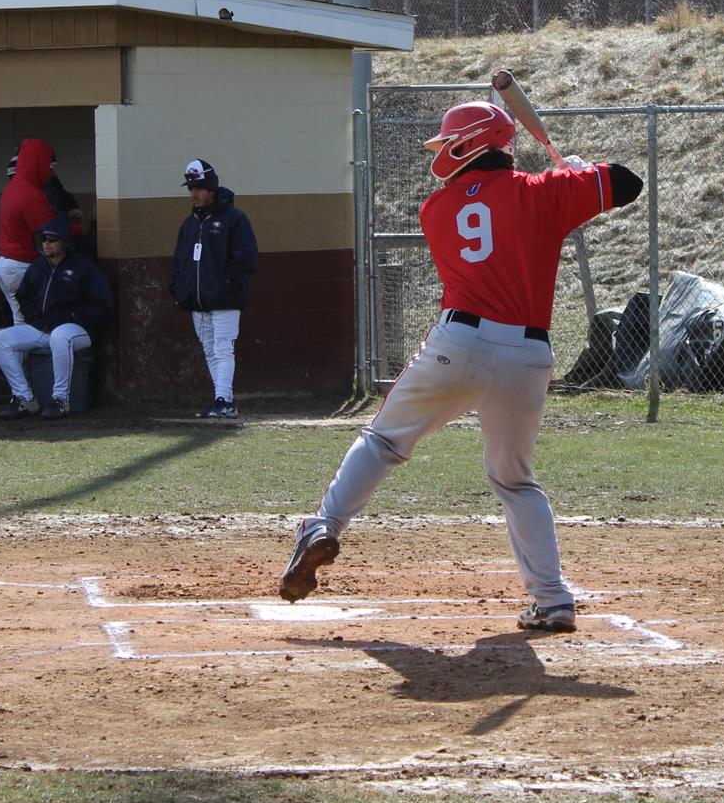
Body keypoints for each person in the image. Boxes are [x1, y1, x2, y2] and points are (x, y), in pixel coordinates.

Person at [278, 90, 643, 633]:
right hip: (527, 355)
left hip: (458, 345)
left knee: (383, 442)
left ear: (468, 146)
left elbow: (496, 210)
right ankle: (553, 599)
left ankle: (324, 523)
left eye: (450, 141)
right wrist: (581, 175)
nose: (443, 150)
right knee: (515, 480)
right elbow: (628, 182)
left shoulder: (437, 207)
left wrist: (568, 185)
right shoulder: (546, 191)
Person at [0, 216, 114, 419]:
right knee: (0, 340)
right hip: (44, 326)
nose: (46, 243)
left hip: (77, 329)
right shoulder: (39, 267)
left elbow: (103, 305)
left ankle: (60, 400)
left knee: (60, 336)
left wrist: (74, 316)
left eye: (52, 239)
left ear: (64, 242)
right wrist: (35, 319)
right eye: (44, 239)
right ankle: (24, 398)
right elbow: (23, 296)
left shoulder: (83, 268)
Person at [169, 159, 258, 419]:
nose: (193, 194)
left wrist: (226, 286)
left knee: (222, 348)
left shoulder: (234, 219)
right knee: (210, 349)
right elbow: (179, 261)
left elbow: (246, 259)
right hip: (198, 301)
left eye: (198, 188)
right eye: (190, 188)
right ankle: (222, 399)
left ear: (211, 188)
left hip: (225, 300)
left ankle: (223, 399)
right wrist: (179, 288)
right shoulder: (189, 224)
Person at [0, 139, 58, 324]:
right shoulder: (30, 193)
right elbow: (50, 232)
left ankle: (12, 350)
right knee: (30, 326)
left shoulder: (13, 187)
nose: (50, 173)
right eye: (48, 166)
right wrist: (75, 226)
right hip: (20, 265)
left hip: (7, 264)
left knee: (21, 321)